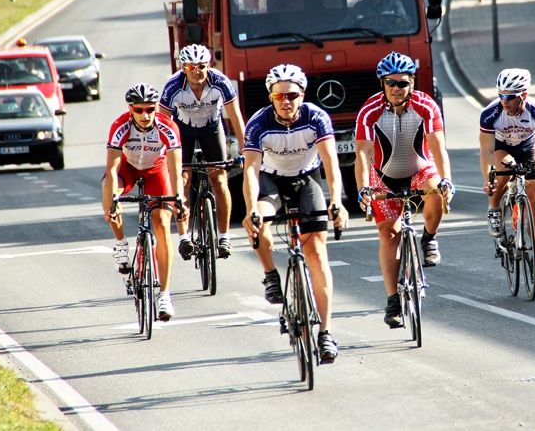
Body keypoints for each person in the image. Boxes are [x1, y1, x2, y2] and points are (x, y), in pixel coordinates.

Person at [241, 64, 349, 364]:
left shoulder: (316, 117)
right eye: (279, 96)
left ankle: (326, 333)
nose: (285, 101)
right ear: (271, 98)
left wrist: (336, 202)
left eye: (292, 95)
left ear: (302, 95)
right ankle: (270, 275)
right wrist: (251, 209)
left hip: (306, 179)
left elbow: (330, 162)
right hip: (271, 181)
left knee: (316, 253)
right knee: (260, 223)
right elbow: (250, 170)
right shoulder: (258, 123)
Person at [355, 52, 454, 328]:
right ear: (382, 83)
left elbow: (437, 147)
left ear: (412, 82)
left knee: (436, 194)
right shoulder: (369, 110)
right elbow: (362, 155)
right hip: (383, 176)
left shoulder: (426, 105)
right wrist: (363, 188)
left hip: (419, 169)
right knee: (388, 233)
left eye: (404, 83)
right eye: (391, 83)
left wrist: (446, 179)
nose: (398, 88)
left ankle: (429, 238)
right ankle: (392, 302)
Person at [102, 84, 188, 321]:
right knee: (109, 194)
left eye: (150, 109)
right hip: (127, 169)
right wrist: (114, 200)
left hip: (156, 170)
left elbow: (175, 167)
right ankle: (120, 244)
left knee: (161, 225)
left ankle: (165, 294)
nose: (145, 114)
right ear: (131, 109)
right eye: (139, 110)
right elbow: (111, 169)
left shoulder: (167, 127)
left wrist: (179, 198)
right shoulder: (120, 126)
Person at [160, 44, 245, 260]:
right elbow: (162, 124)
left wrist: (245, 151)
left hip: (211, 129)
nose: (197, 70)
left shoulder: (220, 82)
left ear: (208, 66)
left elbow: (236, 118)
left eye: (201, 66)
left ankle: (224, 237)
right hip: (183, 131)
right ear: (183, 68)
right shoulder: (173, 86)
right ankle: (184, 238)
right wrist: (162, 154)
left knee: (220, 179)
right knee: (183, 180)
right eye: (191, 67)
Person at [479, 68, 535, 280]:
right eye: (500, 95)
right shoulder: (491, 113)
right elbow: (487, 151)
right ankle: (495, 208)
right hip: (501, 147)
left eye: (509, 97)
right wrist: (488, 178)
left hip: (526, 149)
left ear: (523, 95)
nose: (504, 101)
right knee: (506, 170)